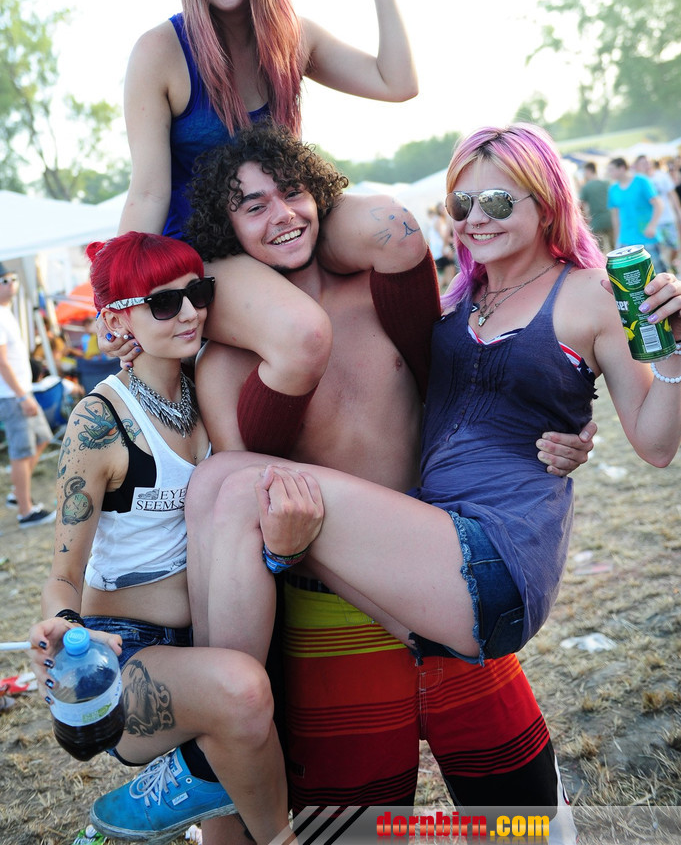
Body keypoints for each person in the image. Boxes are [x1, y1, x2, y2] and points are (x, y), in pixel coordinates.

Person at [101, 126, 595, 844]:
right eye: (252, 206)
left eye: (291, 192)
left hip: (432, 573)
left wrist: (563, 432)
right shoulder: (226, 362)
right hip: (327, 623)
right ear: (226, 229)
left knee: (527, 822)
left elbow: (474, 385)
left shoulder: (382, 293)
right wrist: (280, 549)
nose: (281, 216)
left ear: (319, 197)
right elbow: (242, 520)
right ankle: (213, 753)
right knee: (352, 832)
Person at [184, 123, 681, 699]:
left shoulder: (595, 293)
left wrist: (675, 350)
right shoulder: (460, 300)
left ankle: (224, 711)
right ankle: (218, 702)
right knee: (216, 480)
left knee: (235, 484)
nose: (476, 219)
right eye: (461, 204)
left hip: (494, 553)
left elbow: (656, 446)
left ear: (547, 204)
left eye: (497, 202)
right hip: (431, 560)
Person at [27, 232, 319, 845]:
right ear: (116, 320)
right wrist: (62, 624)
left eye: (198, 293)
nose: (189, 312)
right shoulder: (100, 421)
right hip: (128, 655)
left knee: (228, 824)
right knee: (241, 694)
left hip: (214, 634)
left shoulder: (206, 385)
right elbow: (62, 573)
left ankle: (202, 781)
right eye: (163, 303)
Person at [117, 0, 416, 240]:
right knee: (277, 282)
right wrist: (120, 273)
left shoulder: (294, 38)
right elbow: (147, 194)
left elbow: (397, 84)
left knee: (396, 227)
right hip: (206, 248)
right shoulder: (159, 52)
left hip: (283, 229)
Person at [0, 262, 56, 527]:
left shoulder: (6, 312)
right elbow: (2, 363)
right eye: (4, 281)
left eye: (12, 279)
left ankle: (17, 493)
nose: (11, 284)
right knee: (22, 451)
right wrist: (22, 396)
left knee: (43, 438)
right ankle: (25, 512)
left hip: (21, 392)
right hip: (13, 396)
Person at [607, 156, 664, 272]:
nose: (609, 173)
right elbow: (615, 216)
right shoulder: (613, 189)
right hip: (625, 240)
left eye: (612, 170)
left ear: (622, 168)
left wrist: (652, 226)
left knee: (657, 272)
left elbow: (658, 205)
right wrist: (617, 238)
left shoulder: (641, 181)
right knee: (633, 275)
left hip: (646, 236)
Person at [634, 156, 681, 272]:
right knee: (659, 249)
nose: (646, 165)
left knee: (675, 245)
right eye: (643, 163)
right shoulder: (638, 181)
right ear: (638, 166)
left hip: (667, 218)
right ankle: (666, 269)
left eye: (647, 162)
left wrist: (678, 211)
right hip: (650, 222)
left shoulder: (661, 176)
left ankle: (670, 263)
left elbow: (672, 194)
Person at [578, 161, 614, 254]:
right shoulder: (607, 183)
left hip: (596, 221)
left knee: (599, 252)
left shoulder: (586, 187)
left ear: (589, 170)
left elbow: (580, 204)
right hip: (610, 219)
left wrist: (585, 218)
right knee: (615, 248)